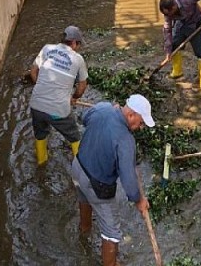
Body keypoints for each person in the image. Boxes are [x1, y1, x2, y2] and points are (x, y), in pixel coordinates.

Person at [71, 94, 155, 266]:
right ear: (131, 114)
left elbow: (84, 118)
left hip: (78, 168)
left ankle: (84, 230)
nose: (140, 127)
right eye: (141, 122)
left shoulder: (103, 108)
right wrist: (138, 199)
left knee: (84, 199)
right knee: (112, 232)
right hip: (96, 184)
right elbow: (129, 180)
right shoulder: (125, 140)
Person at [29, 26, 88, 166]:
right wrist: (74, 98)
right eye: (78, 44)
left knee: (40, 134)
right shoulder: (78, 59)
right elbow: (82, 86)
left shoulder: (47, 49)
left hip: (36, 105)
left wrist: (42, 86)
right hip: (58, 111)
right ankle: (81, 168)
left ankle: (41, 162)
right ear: (74, 43)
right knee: (74, 136)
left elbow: (33, 72)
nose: (78, 47)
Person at [158, 0, 201, 89]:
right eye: (166, 15)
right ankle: (177, 71)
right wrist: (168, 52)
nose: (168, 17)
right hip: (181, 23)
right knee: (174, 45)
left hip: (196, 22)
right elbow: (167, 31)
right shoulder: (168, 14)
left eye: (170, 14)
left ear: (174, 6)